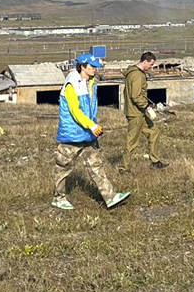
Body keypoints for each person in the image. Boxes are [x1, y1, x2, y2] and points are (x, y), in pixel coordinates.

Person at [52, 53, 130, 211]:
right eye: (92, 67)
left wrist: (92, 126)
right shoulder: (71, 84)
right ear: (82, 67)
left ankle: (110, 197)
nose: (96, 69)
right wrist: (92, 126)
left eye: (96, 67)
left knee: (96, 165)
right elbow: (75, 111)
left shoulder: (91, 82)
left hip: (87, 132)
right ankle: (58, 198)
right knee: (63, 167)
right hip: (72, 133)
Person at [122, 51, 165, 171]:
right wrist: (147, 107)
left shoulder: (134, 73)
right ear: (145, 61)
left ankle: (155, 162)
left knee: (154, 132)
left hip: (139, 112)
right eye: (150, 65)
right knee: (132, 142)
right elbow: (135, 95)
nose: (151, 68)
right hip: (135, 113)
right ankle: (124, 168)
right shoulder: (137, 75)